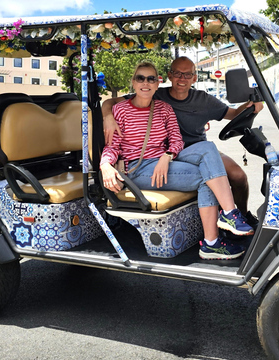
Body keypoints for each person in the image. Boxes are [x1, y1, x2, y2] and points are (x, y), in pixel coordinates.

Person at [100, 61, 253, 260]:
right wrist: (105, 165)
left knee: (208, 153)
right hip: (137, 169)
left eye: (151, 79)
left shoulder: (163, 108)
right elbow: (112, 146)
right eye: (140, 78)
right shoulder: (121, 111)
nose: (145, 83)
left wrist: (167, 155)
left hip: (163, 162)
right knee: (207, 178)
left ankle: (221, 227)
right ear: (134, 83)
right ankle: (216, 237)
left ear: (157, 84)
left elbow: (176, 139)